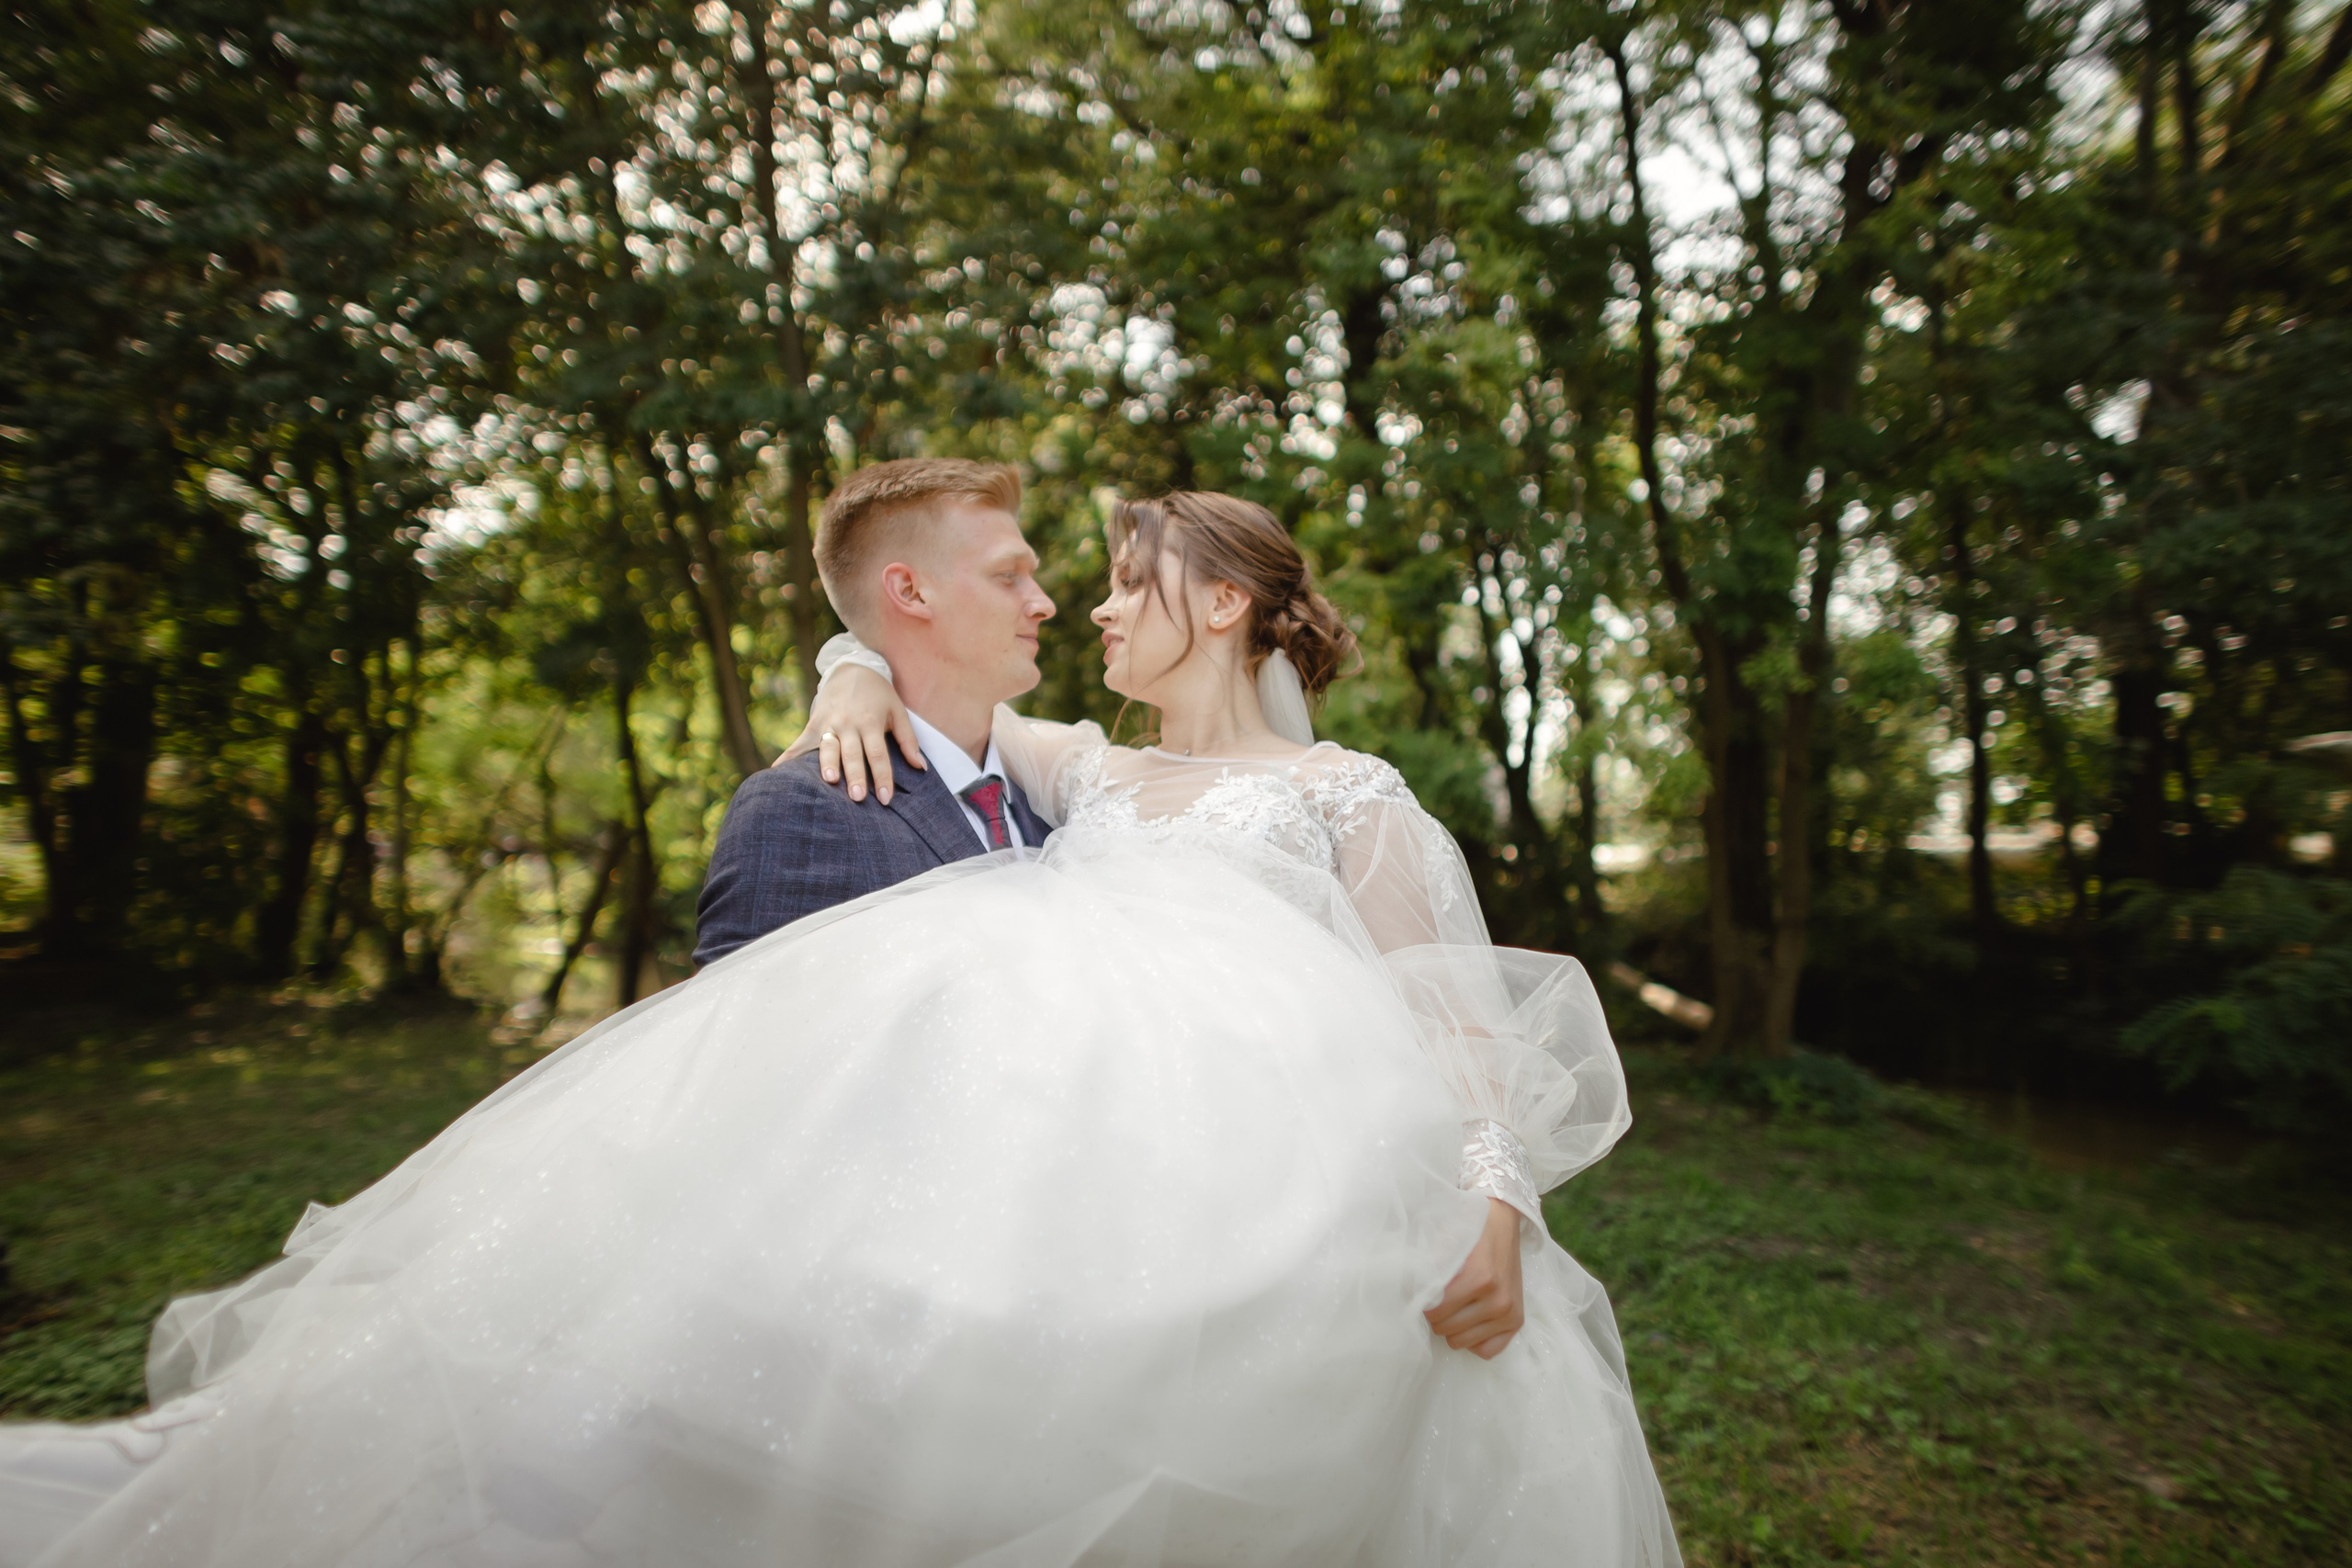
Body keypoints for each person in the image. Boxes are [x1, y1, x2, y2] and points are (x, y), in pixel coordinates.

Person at [0, 477, 1679, 1567]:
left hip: (1294, 1206)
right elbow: (911, 660)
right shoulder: (1085, 765)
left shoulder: (1345, 793)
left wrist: (1500, 1202)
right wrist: (842, 666)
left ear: (1223, 606)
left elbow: (1457, 1022)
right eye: (1073, 583)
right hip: (1070, 1206)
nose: (1093, 610)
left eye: (1124, 584)